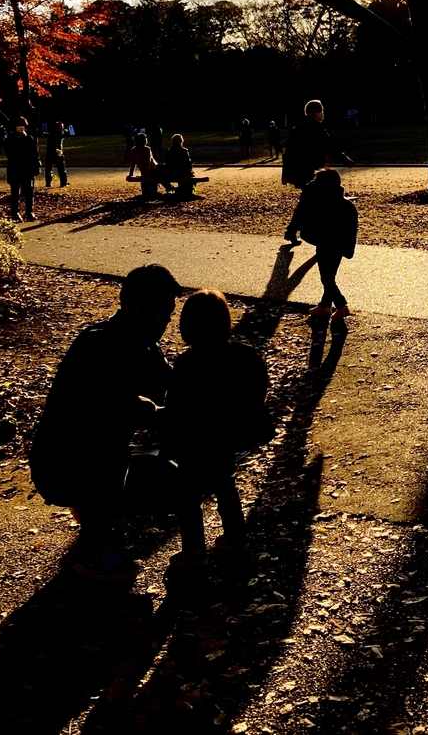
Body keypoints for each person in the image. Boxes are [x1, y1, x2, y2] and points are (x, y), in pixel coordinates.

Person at [28, 264, 179, 580]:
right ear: (134, 307)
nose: (167, 319)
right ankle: (93, 550)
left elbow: (175, 389)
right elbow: (115, 405)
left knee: (170, 477)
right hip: (60, 464)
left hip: (87, 457)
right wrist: (155, 412)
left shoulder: (145, 346)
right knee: (108, 446)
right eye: (163, 310)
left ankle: (93, 509)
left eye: (170, 311)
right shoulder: (99, 343)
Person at [163, 289, 269, 569]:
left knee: (188, 496)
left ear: (189, 327)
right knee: (224, 484)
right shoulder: (243, 358)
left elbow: (175, 407)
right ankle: (235, 538)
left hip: (193, 440)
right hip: (226, 438)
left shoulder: (187, 364)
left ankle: (194, 551)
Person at [288, 169, 358, 321]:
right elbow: (352, 230)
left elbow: (310, 225)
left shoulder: (323, 205)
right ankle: (324, 306)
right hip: (340, 247)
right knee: (329, 276)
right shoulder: (347, 205)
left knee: (326, 278)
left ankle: (341, 305)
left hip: (326, 245)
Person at [282, 100, 351, 243]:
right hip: (309, 171)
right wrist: (345, 159)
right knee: (311, 201)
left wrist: (286, 174)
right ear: (314, 113)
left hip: (303, 171)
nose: (322, 113)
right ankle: (303, 231)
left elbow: (288, 154)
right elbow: (330, 146)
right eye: (320, 110)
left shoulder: (299, 128)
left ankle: (293, 230)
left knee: (308, 201)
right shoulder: (316, 129)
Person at [4, 117, 41, 221]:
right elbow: (9, 153)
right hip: (14, 168)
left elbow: (35, 154)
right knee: (15, 193)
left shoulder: (29, 138)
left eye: (23, 125)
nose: (21, 127)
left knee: (29, 192)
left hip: (27, 169)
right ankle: (15, 213)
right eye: (19, 125)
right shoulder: (10, 139)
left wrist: (36, 167)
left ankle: (29, 212)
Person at [128, 130, 161, 200]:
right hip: (152, 170)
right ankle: (169, 188)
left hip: (144, 171)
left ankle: (166, 188)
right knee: (162, 172)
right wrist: (147, 174)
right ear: (144, 141)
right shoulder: (147, 149)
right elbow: (147, 162)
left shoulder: (133, 150)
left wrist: (131, 173)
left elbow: (133, 163)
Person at [45, 119, 69, 187]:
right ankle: (51, 182)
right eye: (60, 127)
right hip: (54, 152)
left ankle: (63, 182)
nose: (62, 129)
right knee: (56, 168)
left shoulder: (59, 133)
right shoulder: (55, 134)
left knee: (59, 168)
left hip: (55, 152)